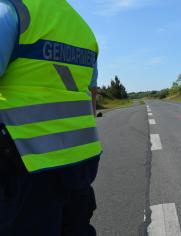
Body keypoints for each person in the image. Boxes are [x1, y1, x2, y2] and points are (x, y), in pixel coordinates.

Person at [0, 0, 102, 235]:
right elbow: (91, 98)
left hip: (24, 164)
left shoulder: (12, 11)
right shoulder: (82, 27)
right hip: (79, 162)